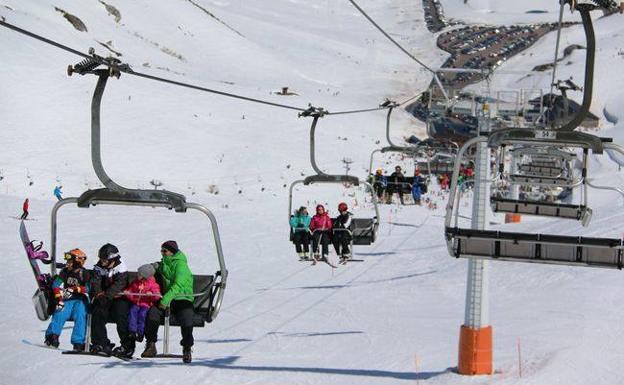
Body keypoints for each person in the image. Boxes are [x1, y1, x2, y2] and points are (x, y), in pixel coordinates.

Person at [142, 241, 195, 363]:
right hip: (167, 298)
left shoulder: (181, 265)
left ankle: (187, 347)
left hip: (182, 297)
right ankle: (150, 344)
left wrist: (165, 300)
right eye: (161, 251)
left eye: (165, 251)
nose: (162, 253)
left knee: (186, 317)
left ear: (172, 252)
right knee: (153, 313)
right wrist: (152, 266)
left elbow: (177, 285)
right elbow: (159, 267)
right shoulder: (165, 263)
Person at [90, 243, 133, 357]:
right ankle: (101, 343)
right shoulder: (99, 267)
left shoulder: (121, 268)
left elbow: (120, 284)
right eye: (101, 259)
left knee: (121, 315)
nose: (102, 262)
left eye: (104, 260)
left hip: (119, 297)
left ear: (112, 259)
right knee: (98, 311)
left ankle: (127, 346)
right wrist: (99, 294)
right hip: (104, 297)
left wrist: (106, 295)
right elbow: (95, 282)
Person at [44, 249, 90, 351]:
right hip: (68, 299)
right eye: (67, 262)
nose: (67, 264)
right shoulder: (65, 272)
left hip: (80, 299)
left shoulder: (84, 273)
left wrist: (75, 289)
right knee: (60, 311)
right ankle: (52, 336)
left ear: (77, 262)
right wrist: (59, 298)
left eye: (70, 262)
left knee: (80, 314)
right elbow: (56, 284)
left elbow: (88, 288)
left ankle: (78, 342)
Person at [124, 264, 161, 343]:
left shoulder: (152, 284)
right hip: (136, 303)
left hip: (145, 304)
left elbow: (157, 295)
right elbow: (131, 290)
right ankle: (132, 331)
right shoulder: (135, 283)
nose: (137, 275)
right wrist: (128, 293)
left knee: (142, 315)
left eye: (140, 274)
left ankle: (140, 333)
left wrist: (151, 294)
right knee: (132, 312)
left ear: (145, 276)